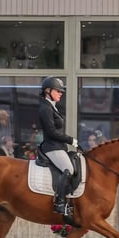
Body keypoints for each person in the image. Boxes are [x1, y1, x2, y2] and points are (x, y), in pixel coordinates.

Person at [38, 76, 78, 216]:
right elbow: (51, 132)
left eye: (61, 91)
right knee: (68, 169)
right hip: (52, 147)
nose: (61, 93)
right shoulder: (45, 108)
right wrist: (70, 139)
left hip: (58, 146)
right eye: (58, 91)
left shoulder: (52, 107)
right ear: (48, 91)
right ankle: (59, 203)